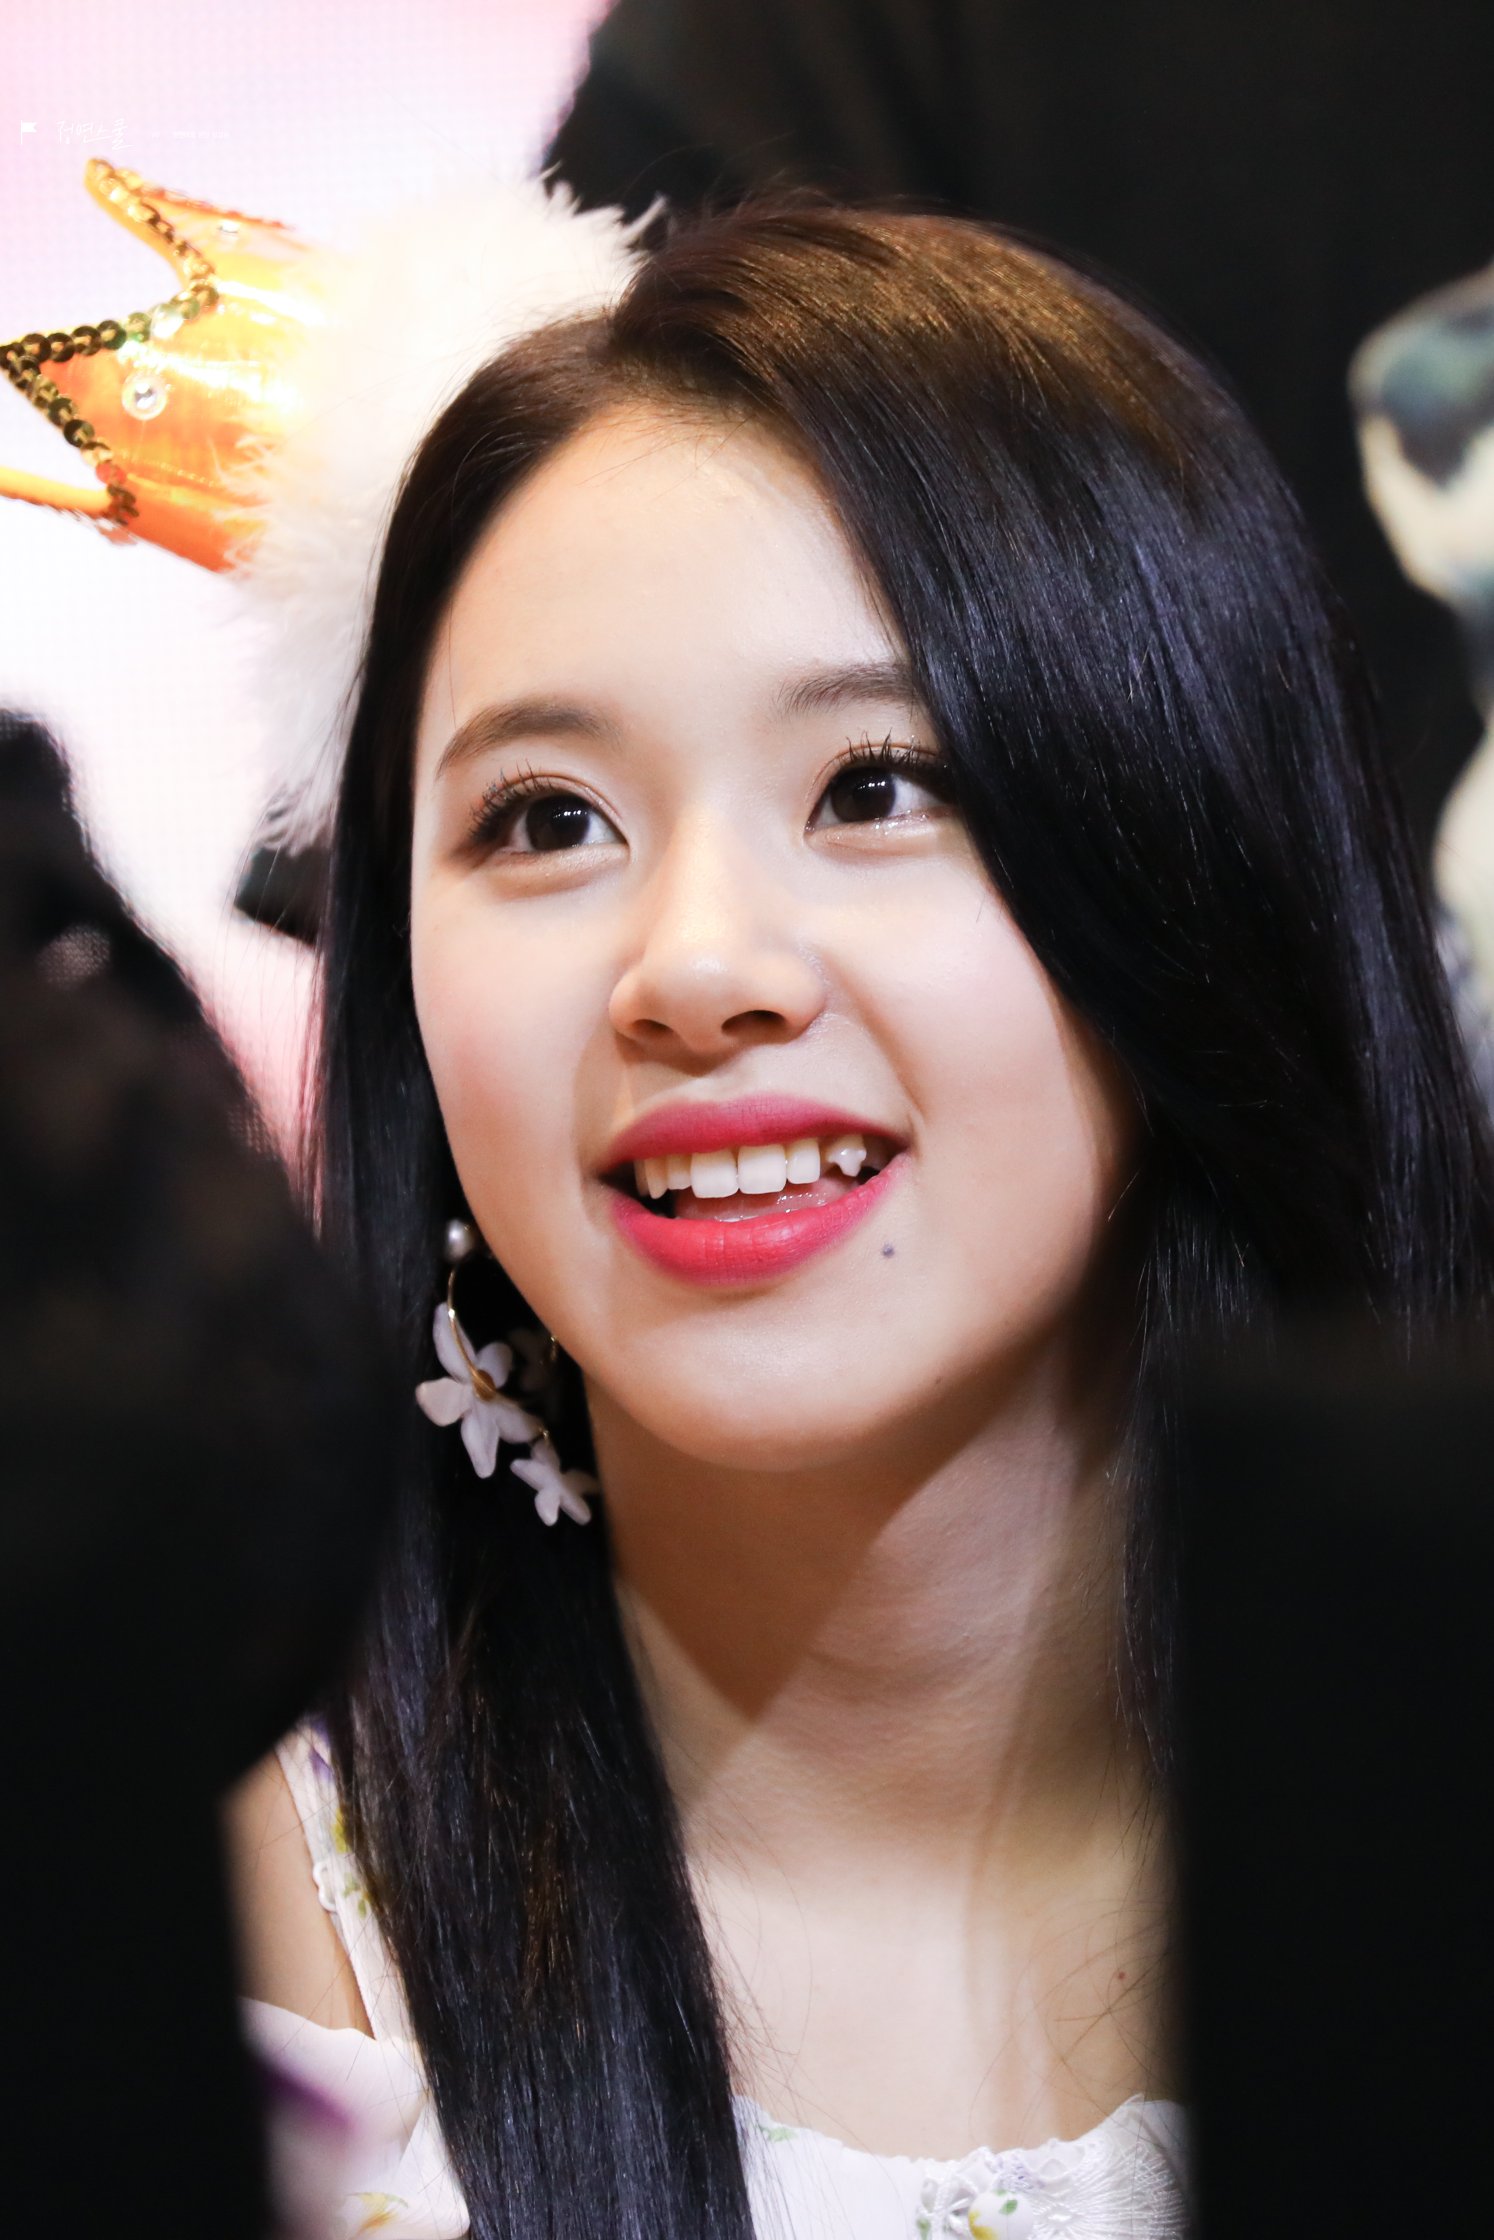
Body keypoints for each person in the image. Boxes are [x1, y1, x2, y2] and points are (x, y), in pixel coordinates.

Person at [227, 203, 1494, 2240]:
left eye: (879, 786)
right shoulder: (219, 1936)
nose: (698, 967)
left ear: (1185, 863)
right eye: (546, 819)